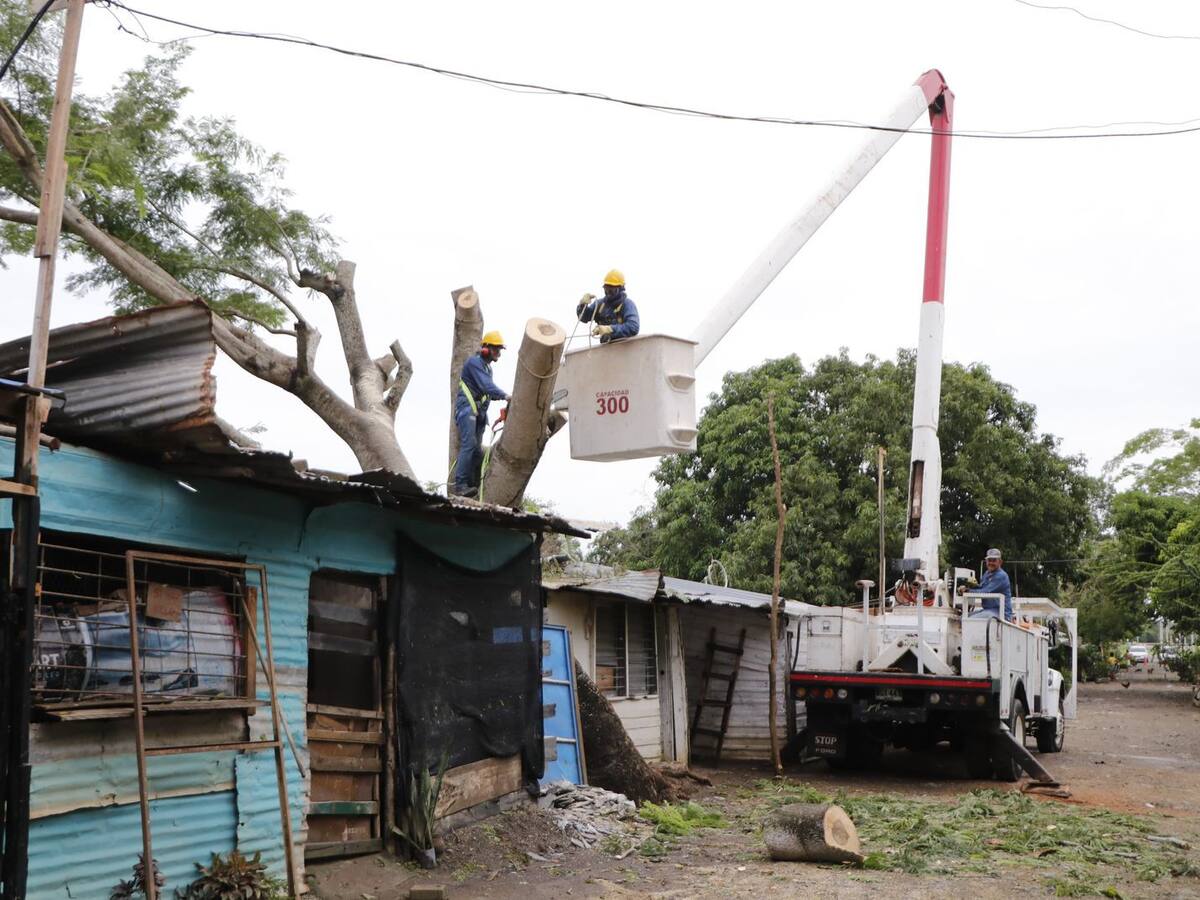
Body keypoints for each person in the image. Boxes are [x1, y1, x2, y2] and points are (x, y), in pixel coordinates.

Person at [453, 331, 510, 498]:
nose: (498, 353)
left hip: (479, 413)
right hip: (467, 409)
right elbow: (486, 387)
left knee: (477, 451)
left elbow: (488, 393)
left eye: (500, 349)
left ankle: (472, 485)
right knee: (469, 445)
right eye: (496, 349)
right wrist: (506, 396)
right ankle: (460, 485)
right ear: (485, 348)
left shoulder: (487, 368)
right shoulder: (474, 363)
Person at [576, 268, 640, 343]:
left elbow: (633, 327)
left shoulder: (627, 305)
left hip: (625, 349)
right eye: (606, 289)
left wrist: (610, 329)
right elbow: (583, 317)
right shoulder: (600, 305)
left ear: (620, 288)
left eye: (611, 290)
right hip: (606, 350)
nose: (608, 292)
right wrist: (582, 305)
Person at [966, 548, 1013, 621]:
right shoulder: (986, 574)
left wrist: (968, 591)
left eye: (994, 560)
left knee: (970, 620)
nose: (991, 563)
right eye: (989, 560)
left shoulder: (1001, 576)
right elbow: (981, 588)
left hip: (1001, 612)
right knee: (964, 616)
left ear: (1000, 562)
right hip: (988, 610)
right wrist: (970, 586)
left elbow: (986, 591)